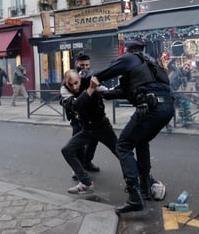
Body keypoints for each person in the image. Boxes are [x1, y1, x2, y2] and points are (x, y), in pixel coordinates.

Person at [94, 38, 174, 214]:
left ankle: (134, 195)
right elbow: (124, 90)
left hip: (152, 108)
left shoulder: (130, 58)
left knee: (123, 145)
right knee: (141, 141)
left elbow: (103, 73)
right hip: (167, 108)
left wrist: (88, 79)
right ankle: (145, 189)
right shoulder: (150, 63)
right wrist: (105, 95)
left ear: (127, 49)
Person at [60, 70, 118, 194]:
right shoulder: (64, 90)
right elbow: (76, 105)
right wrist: (91, 89)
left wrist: (99, 90)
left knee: (121, 153)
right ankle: (86, 182)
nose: (74, 87)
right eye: (71, 85)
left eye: (76, 83)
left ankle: (147, 181)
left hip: (103, 127)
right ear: (66, 83)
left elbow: (108, 92)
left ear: (80, 79)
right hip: (87, 129)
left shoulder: (88, 81)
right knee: (67, 150)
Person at [61, 51, 100, 181]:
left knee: (94, 140)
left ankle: (87, 162)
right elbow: (65, 94)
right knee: (77, 143)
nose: (84, 67)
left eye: (86, 65)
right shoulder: (71, 76)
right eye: (82, 65)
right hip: (77, 116)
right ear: (77, 63)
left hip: (90, 116)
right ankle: (78, 168)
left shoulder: (90, 75)